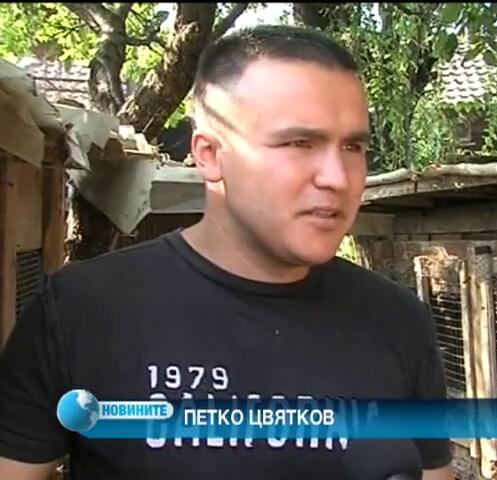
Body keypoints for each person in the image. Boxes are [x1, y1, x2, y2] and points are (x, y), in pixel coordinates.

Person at [0, 25, 454, 479]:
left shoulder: (399, 323)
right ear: (209, 155)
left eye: (353, 146)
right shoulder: (82, 311)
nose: (337, 177)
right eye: (299, 143)